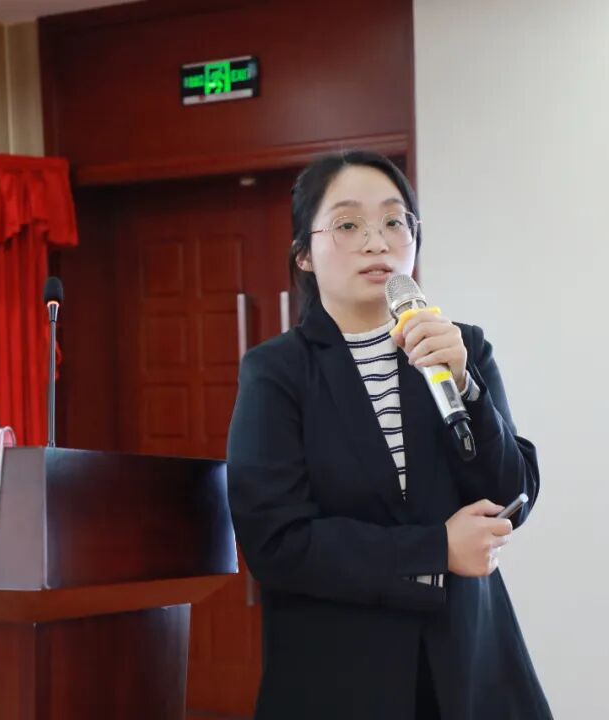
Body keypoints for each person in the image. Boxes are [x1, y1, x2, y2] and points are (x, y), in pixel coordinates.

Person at [227, 150, 552, 720]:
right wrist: (436, 549)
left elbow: (511, 495)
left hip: (468, 666)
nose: (377, 242)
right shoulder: (276, 371)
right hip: (338, 676)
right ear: (303, 253)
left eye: (395, 221)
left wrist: (466, 386)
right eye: (348, 224)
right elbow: (275, 542)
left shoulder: (462, 347)